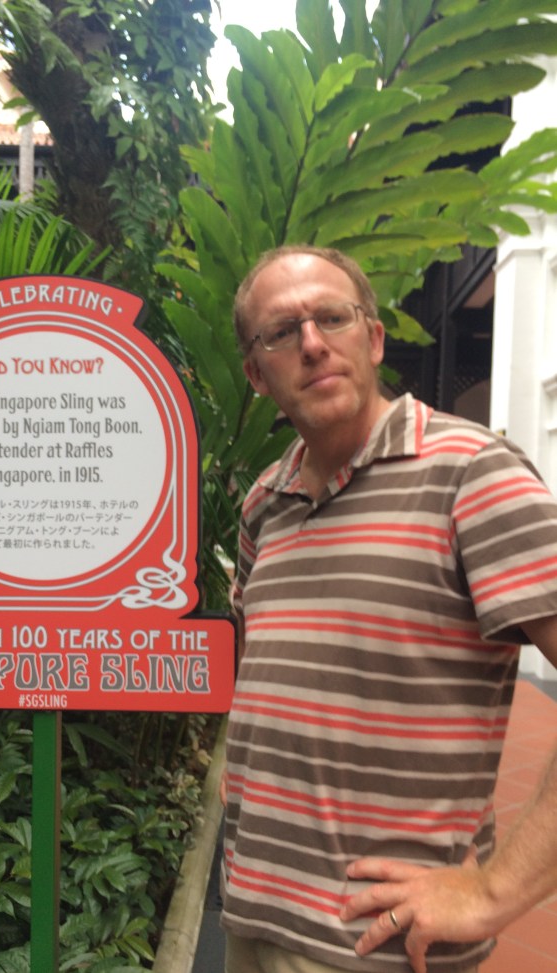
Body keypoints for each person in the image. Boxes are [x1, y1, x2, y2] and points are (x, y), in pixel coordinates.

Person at [221, 244, 557, 973]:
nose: (313, 344)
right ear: (256, 374)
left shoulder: (473, 474)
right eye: (282, 332)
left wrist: (495, 891)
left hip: (373, 944)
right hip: (251, 917)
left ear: (373, 339)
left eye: (332, 318)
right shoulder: (264, 504)